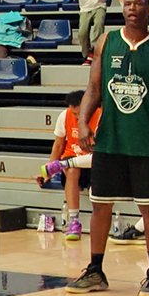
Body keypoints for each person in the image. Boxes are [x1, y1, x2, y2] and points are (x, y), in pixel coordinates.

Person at [67, 0, 149, 296]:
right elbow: (93, 88)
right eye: (129, 3)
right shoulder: (107, 42)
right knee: (100, 205)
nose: (133, 8)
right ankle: (95, 270)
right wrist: (83, 122)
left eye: (139, 4)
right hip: (111, 139)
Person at [38, 89, 101, 236]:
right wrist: (48, 169)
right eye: (74, 114)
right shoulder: (64, 116)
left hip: (92, 161)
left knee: (96, 164)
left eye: (80, 113)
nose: (77, 117)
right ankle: (74, 222)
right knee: (72, 171)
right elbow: (58, 145)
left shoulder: (100, 116)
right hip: (71, 160)